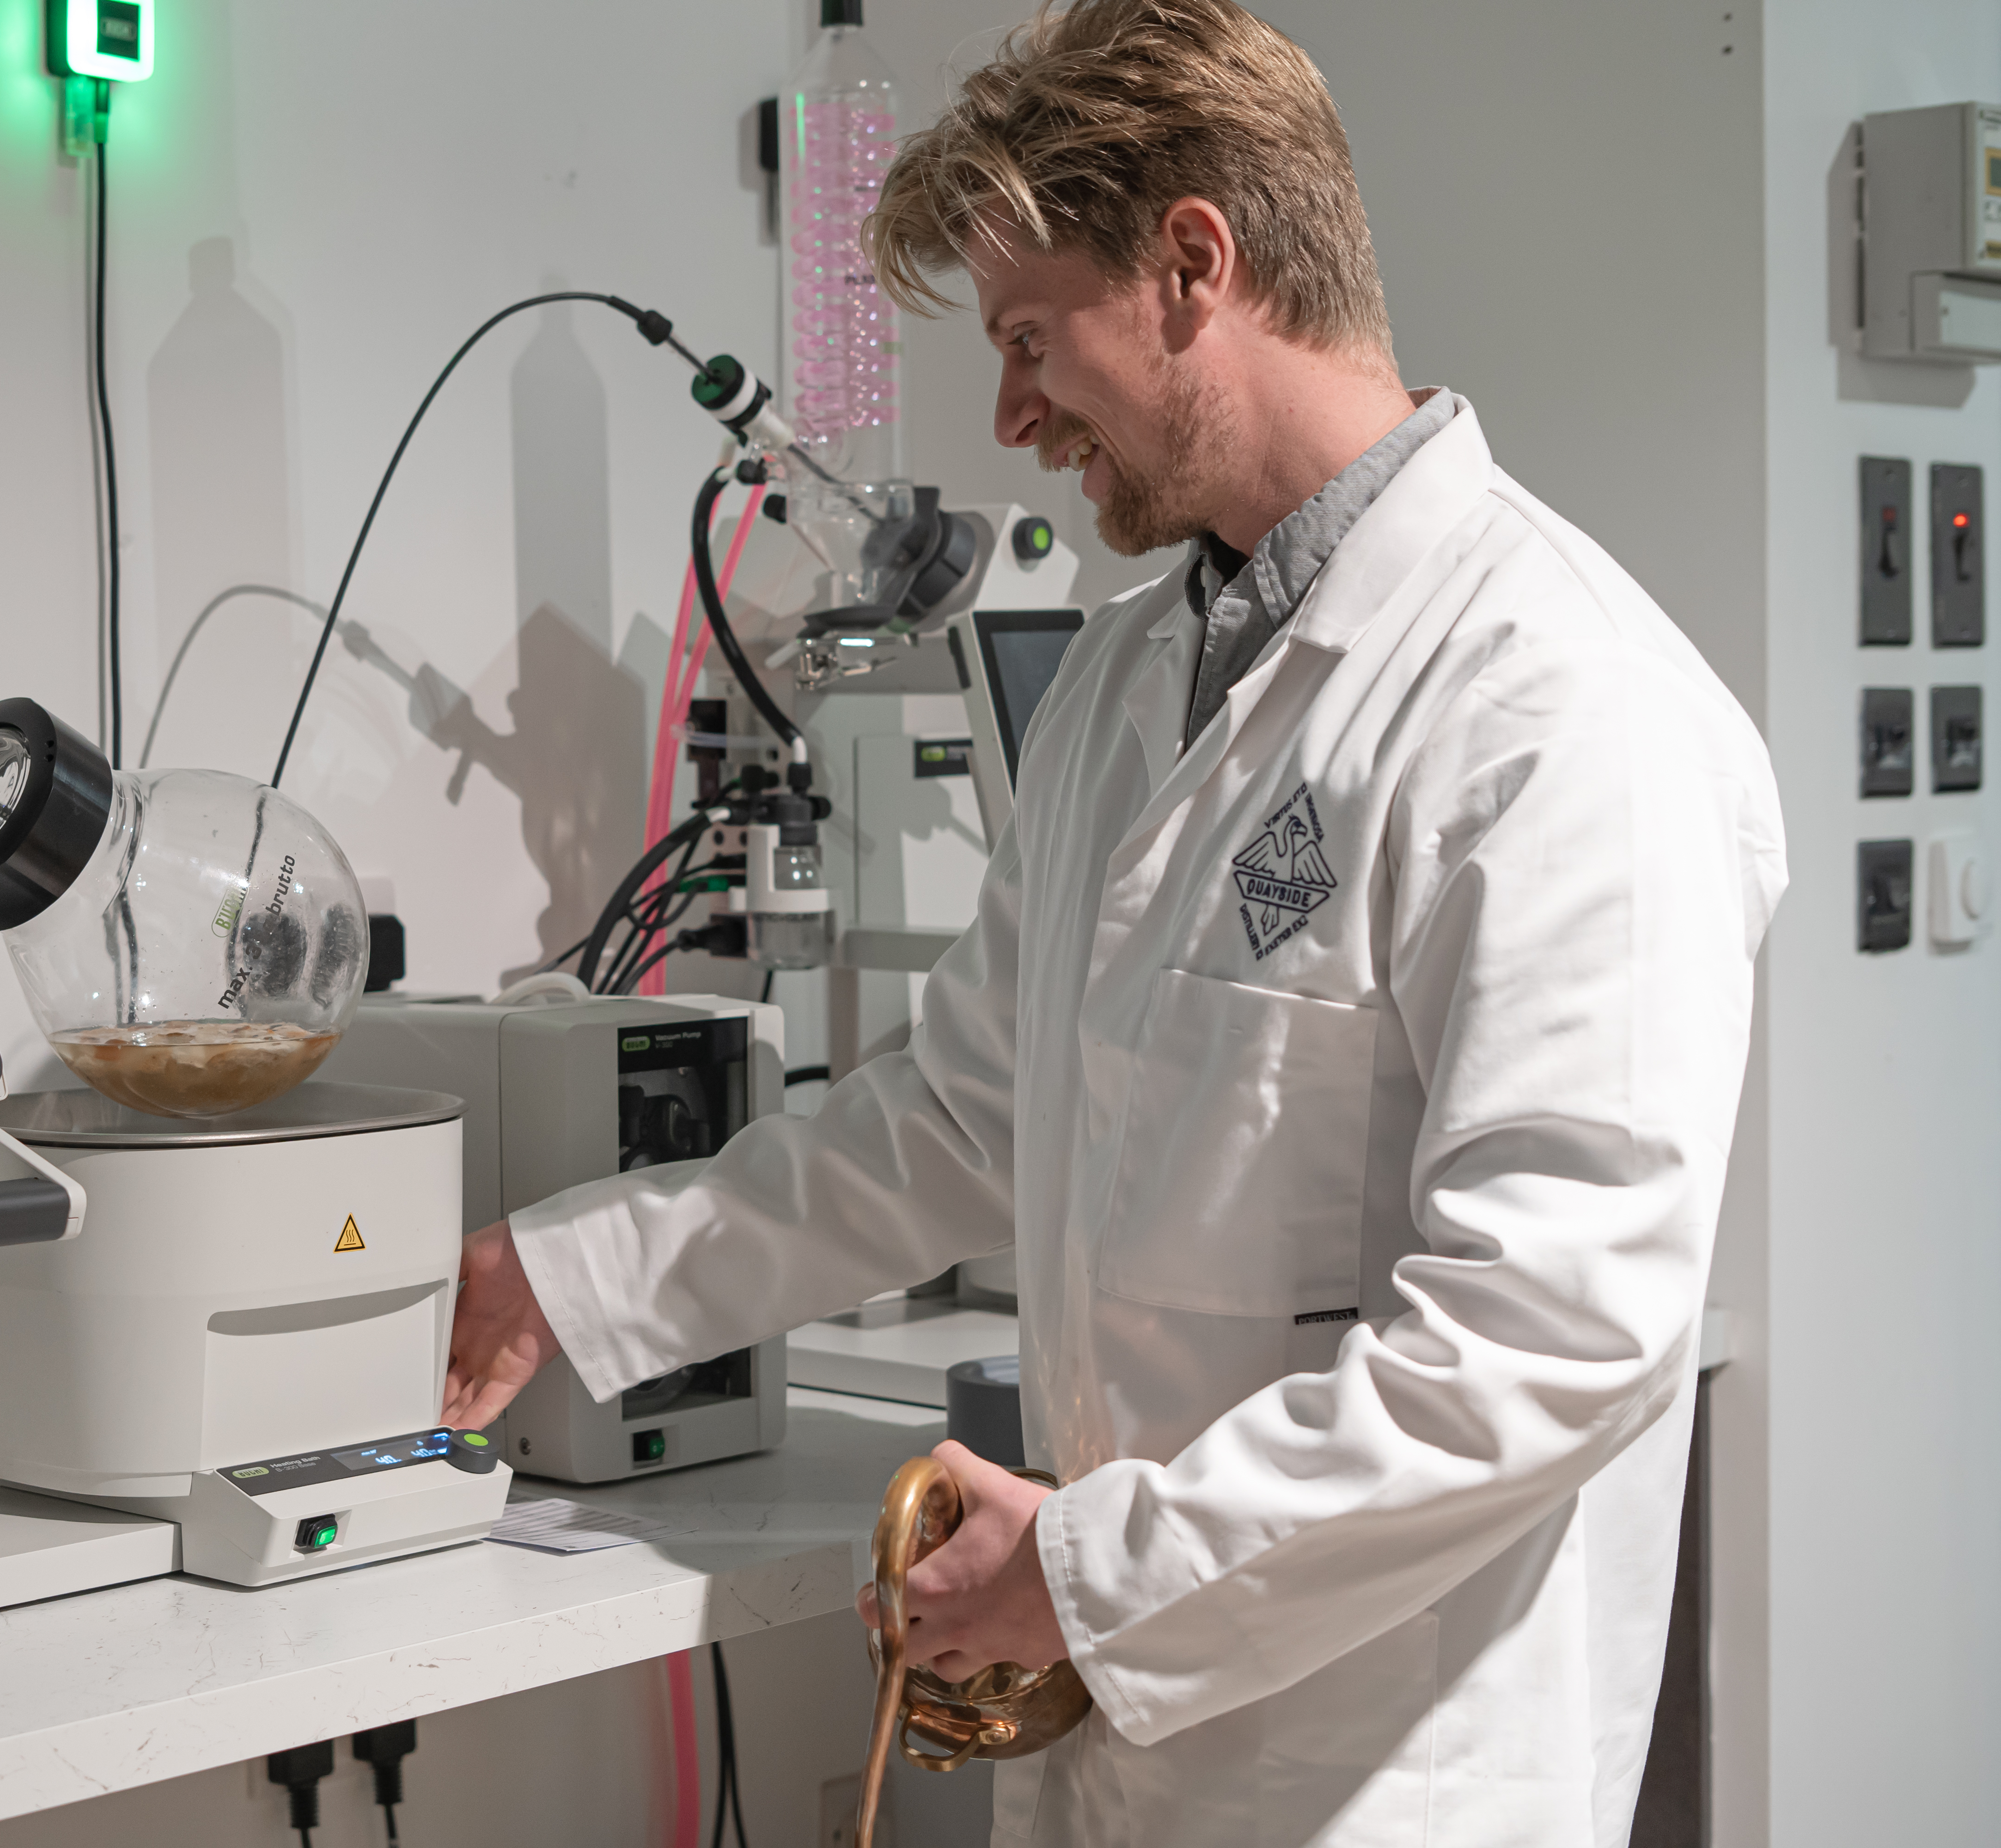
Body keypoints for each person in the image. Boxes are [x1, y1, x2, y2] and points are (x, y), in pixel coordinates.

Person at [443, 2, 1785, 1842]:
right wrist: (576, 1277)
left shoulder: (1557, 704)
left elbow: (1551, 1331)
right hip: (1122, 1766)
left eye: (1026, 339)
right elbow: (961, 1117)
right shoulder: (1128, 677)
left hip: (1386, 1776)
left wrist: (1096, 1576)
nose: (1009, 419)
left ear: (1193, 264)